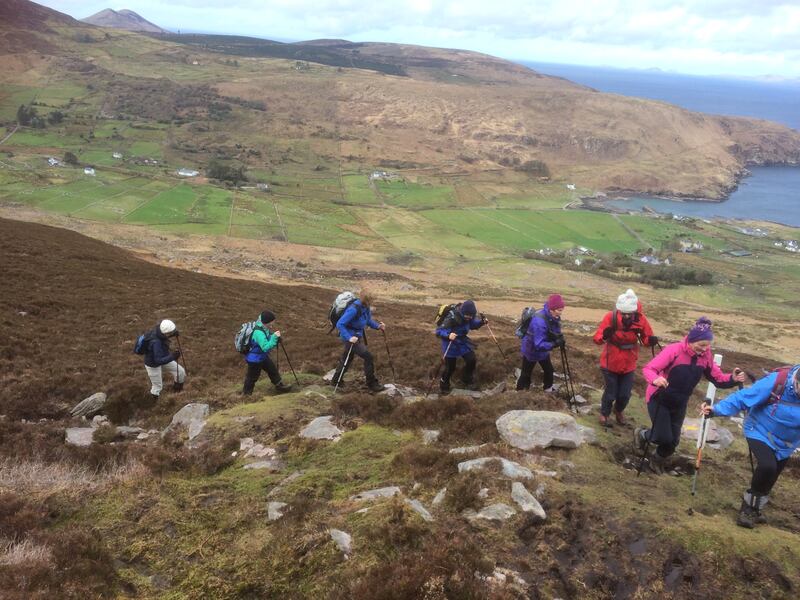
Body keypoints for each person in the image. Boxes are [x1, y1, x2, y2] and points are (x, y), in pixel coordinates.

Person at [635, 317, 745, 473]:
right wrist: (656, 379)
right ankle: (642, 434)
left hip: (680, 403)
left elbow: (717, 378)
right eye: (701, 345)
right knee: (662, 437)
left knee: (673, 442)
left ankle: (656, 461)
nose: (704, 349)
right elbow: (649, 369)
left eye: (707, 346)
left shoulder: (705, 357)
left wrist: (732, 379)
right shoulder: (674, 350)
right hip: (659, 398)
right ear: (691, 341)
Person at [701, 365, 800, 528]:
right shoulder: (777, 382)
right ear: (796, 380)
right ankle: (747, 510)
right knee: (768, 466)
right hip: (759, 430)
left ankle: (756, 508)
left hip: (787, 443)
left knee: (772, 476)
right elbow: (744, 397)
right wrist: (716, 409)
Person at [593, 289, 658, 426]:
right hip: (610, 361)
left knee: (625, 394)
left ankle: (618, 411)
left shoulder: (641, 319)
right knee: (611, 392)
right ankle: (604, 414)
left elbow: (646, 338)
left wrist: (650, 341)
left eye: (629, 313)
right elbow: (597, 338)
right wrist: (604, 336)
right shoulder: (611, 317)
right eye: (624, 313)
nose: (627, 316)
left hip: (629, 362)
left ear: (634, 311)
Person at [332, 292, 385, 392]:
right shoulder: (353, 309)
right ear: (367, 300)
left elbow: (367, 321)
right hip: (349, 338)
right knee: (368, 357)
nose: (373, 302)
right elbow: (340, 324)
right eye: (372, 300)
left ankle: (335, 380)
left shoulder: (366, 308)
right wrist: (349, 337)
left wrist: (378, 326)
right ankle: (372, 384)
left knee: (347, 358)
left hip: (356, 336)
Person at [516, 294, 565, 392]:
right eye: (559, 310)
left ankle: (548, 389)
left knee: (549, 370)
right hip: (531, 350)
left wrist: (558, 337)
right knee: (526, 373)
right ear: (552, 309)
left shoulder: (551, 315)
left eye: (561, 310)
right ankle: (520, 392)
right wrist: (554, 344)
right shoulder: (539, 322)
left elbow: (554, 328)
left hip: (543, 351)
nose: (561, 312)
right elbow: (538, 344)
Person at [435, 299, 486, 394]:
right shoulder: (452, 317)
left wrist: (481, 322)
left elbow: (472, 325)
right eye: (467, 315)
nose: (469, 317)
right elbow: (439, 331)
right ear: (462, 312)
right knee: (450, 367)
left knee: (471, 360)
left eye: (471, 315)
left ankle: (466, 379)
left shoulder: (470, 317)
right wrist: (448, 335)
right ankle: (444, 385)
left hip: (462, 342)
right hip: (450, 343)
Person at [242, 310, 292, 396]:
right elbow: (265, 347)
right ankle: (246, 395)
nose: (273, 324)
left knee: (272, 370)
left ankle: (280, 386)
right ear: (266, 322)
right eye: (272, 322)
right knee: (252, 378)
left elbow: (267, 338)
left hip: (262, 356)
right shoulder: (258, 332)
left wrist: (274, 337)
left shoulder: (263, 327)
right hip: (255, 359)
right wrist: (274, 338)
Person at [142, 319, 186, 401]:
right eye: (171, 332)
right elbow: (158, 360)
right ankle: (153, 403)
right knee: (157, 387)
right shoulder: (156, 343)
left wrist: (173, 333)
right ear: (166, 333)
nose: (171, 333)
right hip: (153, 364)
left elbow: (164, 336)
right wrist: (173, 356)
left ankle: (177, 392)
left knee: (180, 372)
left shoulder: (160, 330)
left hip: (163, 358)